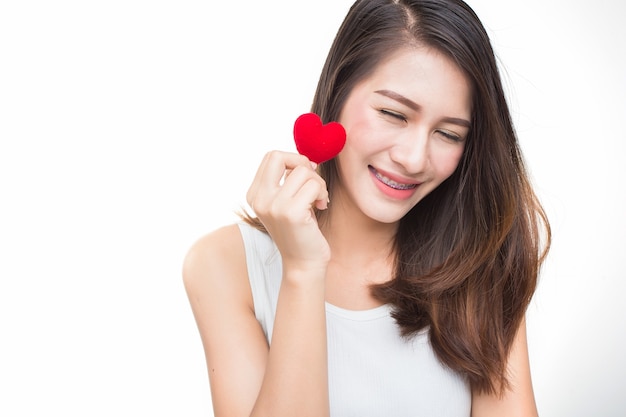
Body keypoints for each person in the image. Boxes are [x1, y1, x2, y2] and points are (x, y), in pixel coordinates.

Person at [183, 0, 551, 416]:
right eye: (393, 113)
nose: (414, 159)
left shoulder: (481, 266)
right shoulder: (223, 265)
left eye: (448, 134)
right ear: (338, 92)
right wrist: (303, 271)